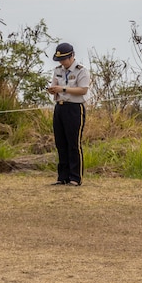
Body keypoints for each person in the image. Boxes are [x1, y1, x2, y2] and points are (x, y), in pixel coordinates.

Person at [47, 42, 91, 186]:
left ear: (72, 56)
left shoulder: (81, 71)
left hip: (74, 108)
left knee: (74, 144)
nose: (62, 62)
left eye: (65, 59)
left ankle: (75, 178)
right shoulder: (57, 70)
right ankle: (62, 177)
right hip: (60, 107)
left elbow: (83, 90)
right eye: (60, 59)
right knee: (61, 143)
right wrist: (53, 90)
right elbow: (55, 85)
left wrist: (63, 89)